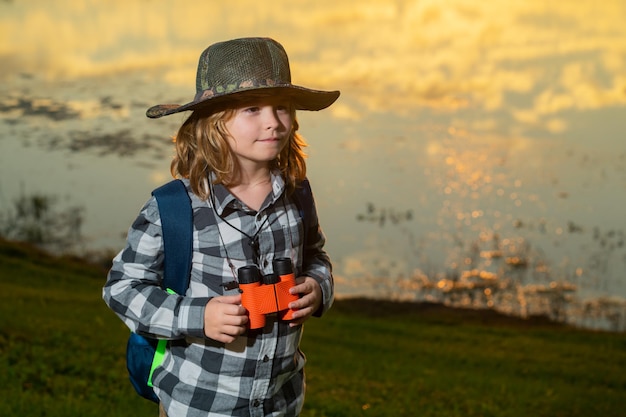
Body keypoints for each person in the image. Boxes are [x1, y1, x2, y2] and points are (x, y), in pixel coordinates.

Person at [102, 37, 339, 417]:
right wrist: (199, 316)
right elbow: (122, 289)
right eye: (251, 109)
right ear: (214, 123)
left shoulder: (297, 196)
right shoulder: (176, 208)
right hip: (198, 404)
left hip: (281, 401)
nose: (273, 122)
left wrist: (317, 287)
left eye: (282, 107)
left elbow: (315, 257)